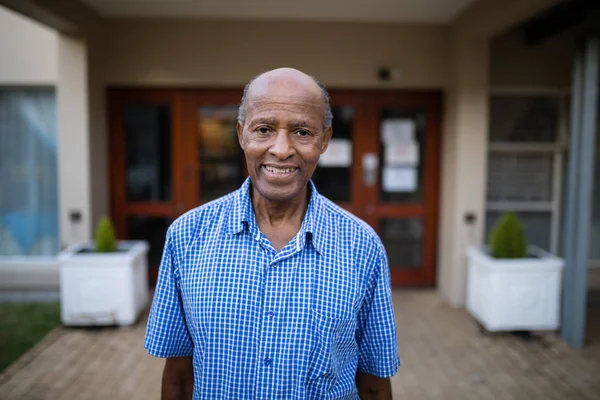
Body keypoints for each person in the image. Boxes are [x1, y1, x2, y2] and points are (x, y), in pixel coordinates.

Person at [145, 67, 400, 399]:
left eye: (303, 132)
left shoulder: (362, 247)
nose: (281, 149)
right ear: (241, 134)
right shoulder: (187, 237)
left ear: (324, 139)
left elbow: (374, 384)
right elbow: (178, 375)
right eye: (263, 129)